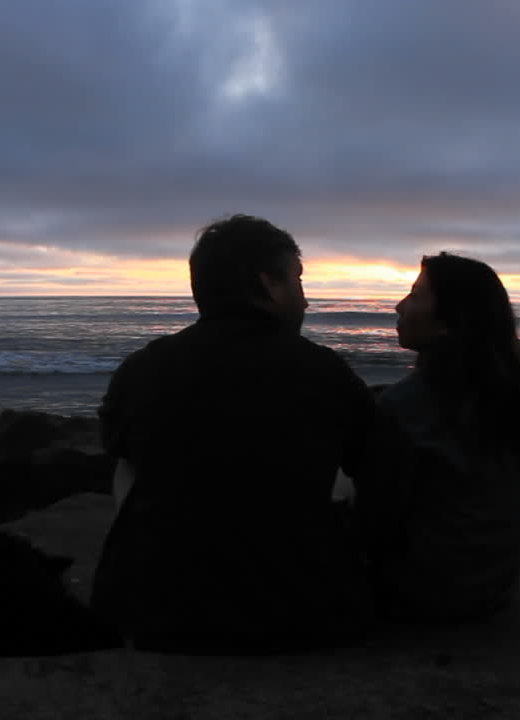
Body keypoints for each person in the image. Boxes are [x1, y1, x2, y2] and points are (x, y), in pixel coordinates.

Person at [91, 214, 375, 654]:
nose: (306, 301)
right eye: (298, 282)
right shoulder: (322, 370)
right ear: (270, 284)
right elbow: (382, 470)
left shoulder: (143, 368)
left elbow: (120, 448)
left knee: (129, 460)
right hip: (300, 613)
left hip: (164, 616)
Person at [357, 252, 520, 623]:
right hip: (497, 583)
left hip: (429, 593)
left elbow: (378, 521)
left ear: (449, 322)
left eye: (415, 296)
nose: (399, 306)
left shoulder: (405, 405)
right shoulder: (519, 392)